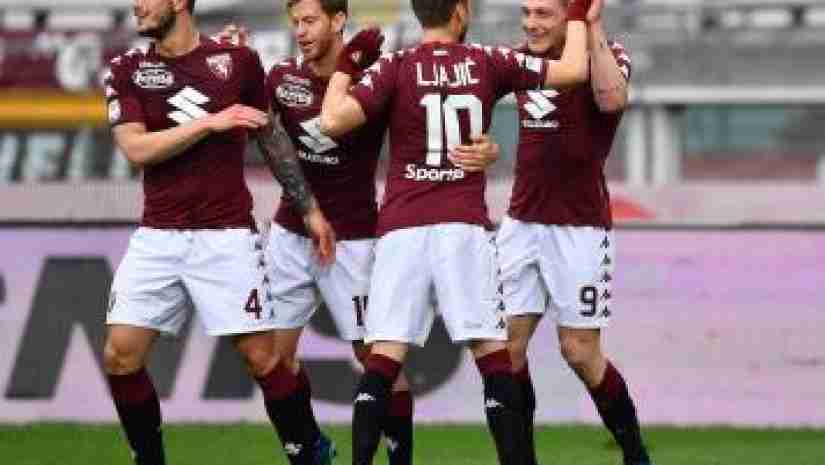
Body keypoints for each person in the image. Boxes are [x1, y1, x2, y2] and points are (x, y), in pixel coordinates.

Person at [218, 2, 501, 464]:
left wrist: (486, 149)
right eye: (295, 23)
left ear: (337, 21)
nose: (300, 31)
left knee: (378, 360)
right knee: (269, 360)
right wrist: (235, 68)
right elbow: (249, 126)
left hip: (355, 239)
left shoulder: (374, 76)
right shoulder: (282, 77)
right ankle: (312, 450)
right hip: (292, 234)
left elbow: (431, 127)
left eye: (310, 21)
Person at [318, 0, 595, 463]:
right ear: (461, 12)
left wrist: (348, 63)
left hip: (402, 229)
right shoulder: (488, 60)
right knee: (493, 356)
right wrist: (580, 13)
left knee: (383, 358)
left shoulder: (395, 66)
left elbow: (331, 121)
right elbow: (572, 71)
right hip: (462, 227)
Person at [101, 1, 334, 464]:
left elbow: (271, 136)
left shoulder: (238, 61)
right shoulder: (125, 68)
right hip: (158, 235)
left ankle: (311, 451)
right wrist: (210, 121)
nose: (137, 5)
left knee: (264, 360)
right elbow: (136, 149)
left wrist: (308, 208)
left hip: (226, 236)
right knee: (120, 357)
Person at [455, 1, 654, 464]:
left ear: (572, 15)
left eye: (544, 13)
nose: (531, 23)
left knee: (579, 351)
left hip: (580, 229)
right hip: (521, 225)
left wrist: (592, 25)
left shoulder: (608, 54)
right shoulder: (521, 59)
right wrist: (486, 148)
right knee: (504, 350)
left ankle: (636, 455)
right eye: (526, 12)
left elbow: (612, 100)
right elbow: (470, 102)